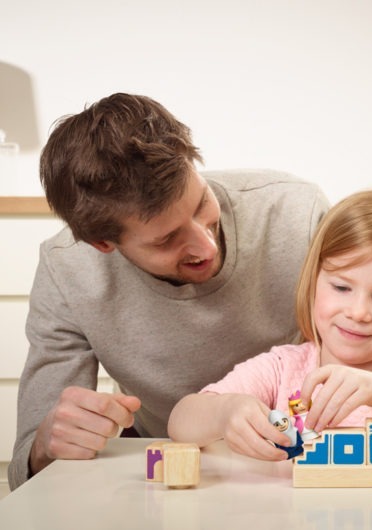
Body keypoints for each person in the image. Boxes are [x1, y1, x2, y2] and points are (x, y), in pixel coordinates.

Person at [8, 93, 329, 490]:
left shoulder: (298, 213)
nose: (206, 247)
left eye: (201, 204)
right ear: (104, 244)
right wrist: (49, 442)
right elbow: (27, 468)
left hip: (294, 461)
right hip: (164, 466)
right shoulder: (67, 270)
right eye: (167, 239)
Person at [167, 187, 372, 461]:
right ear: (314, 282)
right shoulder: (282, 368)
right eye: (341, 287)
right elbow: (181, 422)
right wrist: (224, 412)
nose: (358, 312)